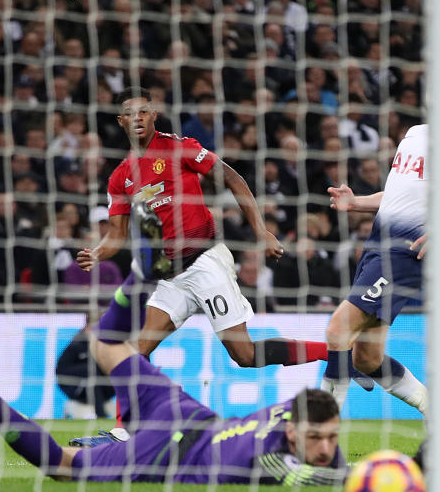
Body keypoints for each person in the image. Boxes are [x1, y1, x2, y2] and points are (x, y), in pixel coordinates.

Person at [77, 87, 328, 373]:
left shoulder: (178, 147)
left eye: (144, 111)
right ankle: (128, 419)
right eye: (130, 114)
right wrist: (96, 253)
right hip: (169, 274)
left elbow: (233, 178)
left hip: (203, 260)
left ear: (154, 115)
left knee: (244, 356)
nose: (138, 118)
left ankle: (335, 355)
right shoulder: (120, 178)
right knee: (135, 351)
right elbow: (117, 234)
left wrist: (261, 232)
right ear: (120, 121)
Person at [0, 342, 347, 485]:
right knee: (62, 467)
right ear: (292, 433)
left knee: (108, 345)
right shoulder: (271, 461)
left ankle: (144, 271)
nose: (325, 448)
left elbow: (324, 456)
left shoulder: (291, 412)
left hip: (186, 412)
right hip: (165, 454)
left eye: (330, 438)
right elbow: (325, 478)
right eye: (316, 439)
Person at [319, 126, 440, 413]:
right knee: (367, 358)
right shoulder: (414, 134)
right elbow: (397, 195)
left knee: (338, 329)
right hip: (376, 245)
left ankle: (322, 432)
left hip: (406, 250)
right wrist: (357, 202)